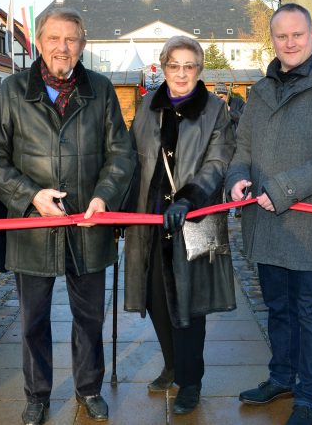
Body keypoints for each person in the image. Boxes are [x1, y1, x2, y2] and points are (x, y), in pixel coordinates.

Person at [0, 7, 136, 425]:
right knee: (33, 320)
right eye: (54, 39)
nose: (62, 48)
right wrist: (30, 196)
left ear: (82, 45)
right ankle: (36, 394)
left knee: (90, 317)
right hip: (33, 226)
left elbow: (121, 153)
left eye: (71, 40)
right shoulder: (11, 91)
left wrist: (104, 197)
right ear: (39, 43)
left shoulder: (100, 90)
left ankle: (89, 388)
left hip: (89, 224)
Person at [225, 3, 312, 425]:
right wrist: (237, 177)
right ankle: (281, 376)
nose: (289, 42)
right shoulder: (261, 90)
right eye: (281, 36)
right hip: (265, 222)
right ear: (274, 40)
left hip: (310, 223)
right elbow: (241, 147)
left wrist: (283, 189)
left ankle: (308, 396)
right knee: (278, 308)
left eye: (297, 34)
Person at [124, 36, 237, 415]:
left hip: (196, 219)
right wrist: (122, 205)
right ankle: (171, 363)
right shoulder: (147, 105)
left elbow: (219, 161)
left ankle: (191, 379)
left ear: (199, 70)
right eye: (175, 65)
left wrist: (191, 196)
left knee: (193, 303)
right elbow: (131, 157)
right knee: (156, 298)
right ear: (163, 67)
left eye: (190, 66)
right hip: (150, 221)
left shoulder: (215, 110)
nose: (182, 73)